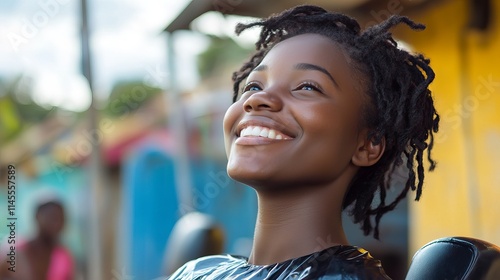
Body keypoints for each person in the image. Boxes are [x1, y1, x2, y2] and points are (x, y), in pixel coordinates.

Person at [167, 4, 439, 279]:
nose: (257, 100)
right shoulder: (197, 272)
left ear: (367, 144)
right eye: (254, 86)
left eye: (307, 87)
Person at [0, 195, 74, 280]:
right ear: (37, 216)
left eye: (61, 219)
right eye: (52, 217)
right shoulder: (17, 250)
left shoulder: (63, 257)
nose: (57, 224)